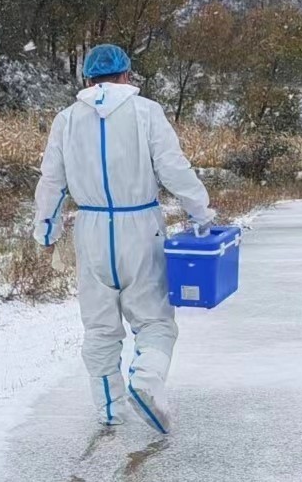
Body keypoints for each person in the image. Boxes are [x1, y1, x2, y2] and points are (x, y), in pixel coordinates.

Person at [33, 44, 215, 435]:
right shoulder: (146, 112)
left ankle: (111, 409)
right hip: (140, 226)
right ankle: (147, 378)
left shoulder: (65, 120)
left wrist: (46, 231)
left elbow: (52, 181)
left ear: (88, 78)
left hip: (91, 228)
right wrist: (200, 212)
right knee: (154, 320)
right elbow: (172, 168)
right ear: (127, 75)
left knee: (100, 328)